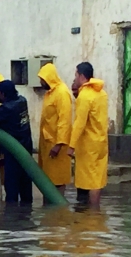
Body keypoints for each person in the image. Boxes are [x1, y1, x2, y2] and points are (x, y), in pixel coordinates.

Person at [68, 62, 109, 208]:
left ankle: (92, 214)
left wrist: (71, 146)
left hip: (88, 145)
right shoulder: (101, 93)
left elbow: (80, 123)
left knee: (91, 181)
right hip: (101, 143)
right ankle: (96, 214)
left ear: (82, 76)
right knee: (97, 179)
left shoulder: (84, 96)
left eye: (76, 75)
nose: (75, 78)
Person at [36, 63, 73, 198]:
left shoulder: (62, 93)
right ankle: (51, 212)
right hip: (47, 143)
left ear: (49, 78)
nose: (40, 82)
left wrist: (59, 144)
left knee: (57, 180)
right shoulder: (50, 93)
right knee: (48, 179)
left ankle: (58, 210)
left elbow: (65, 121)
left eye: (42, 79)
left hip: (57, 146)